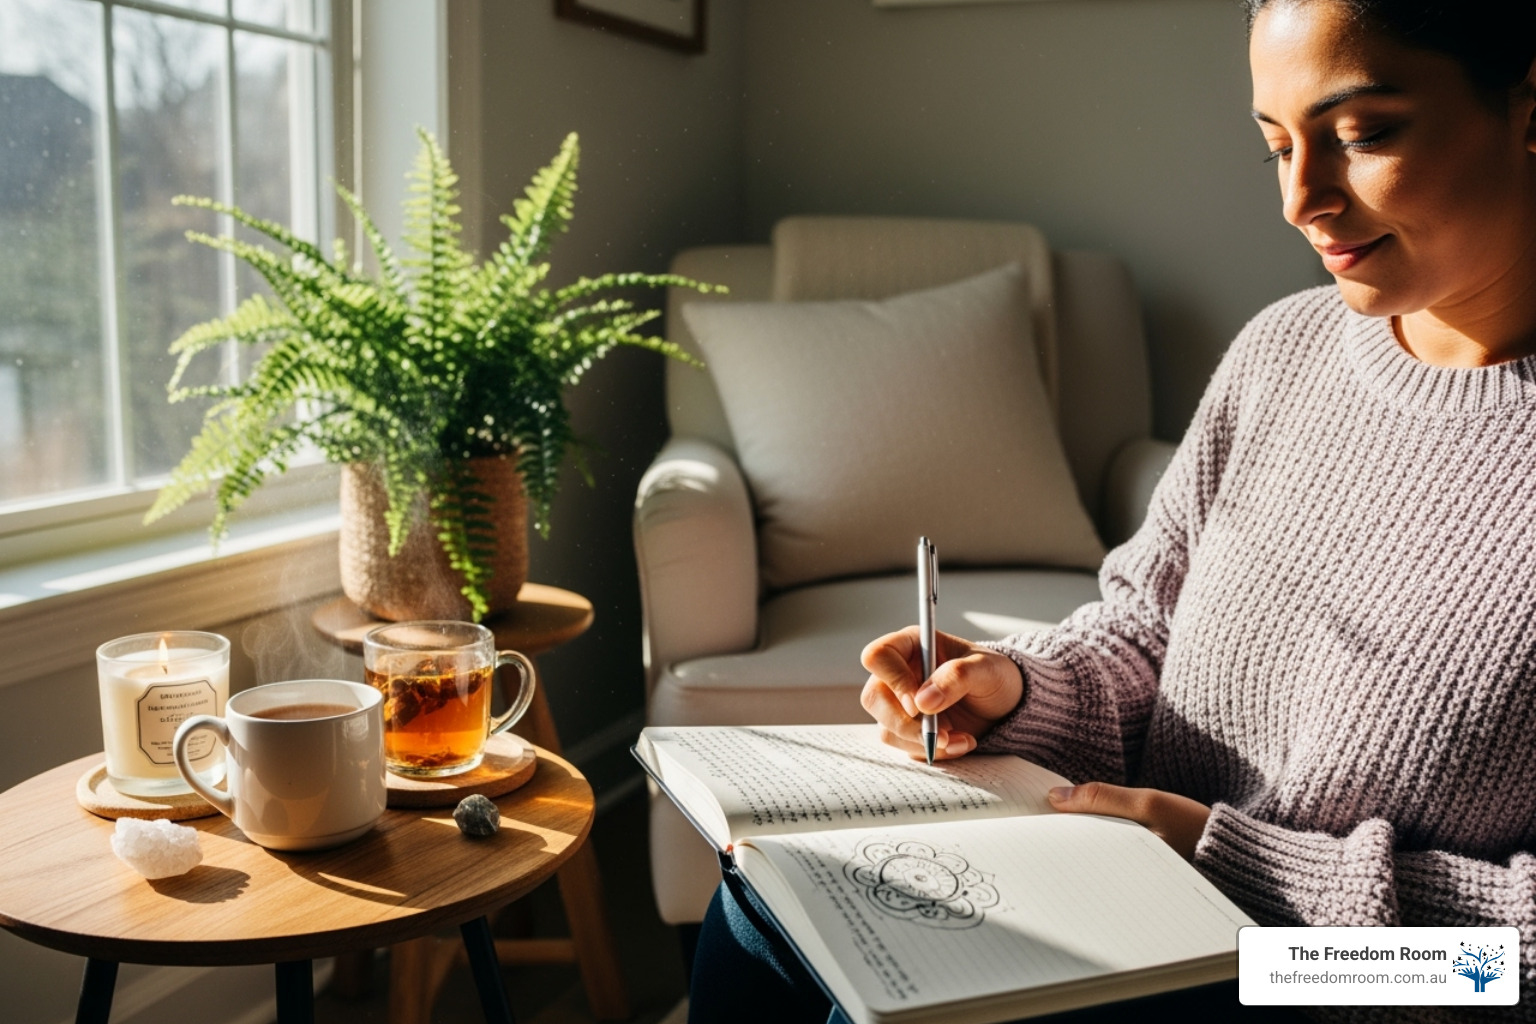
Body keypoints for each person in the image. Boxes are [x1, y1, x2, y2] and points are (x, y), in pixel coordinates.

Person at [686, 0, 1536, 1021]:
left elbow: (1511, 965)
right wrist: (1014, 689)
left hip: (1344, 982)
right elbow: (1144, 631)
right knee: (760, 905)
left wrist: (1234, 867)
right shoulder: (1284, 352)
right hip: (1141, 892)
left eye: (1362, 136)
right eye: (1276, 147)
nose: (1301, 199)